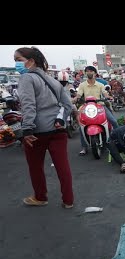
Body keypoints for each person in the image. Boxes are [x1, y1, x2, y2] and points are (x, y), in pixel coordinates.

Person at [14, 46, 74, 208]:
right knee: (63, 166)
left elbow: (28, 105)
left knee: (35, 166)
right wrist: (60, 119)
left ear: (31, 61)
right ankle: (68, 200)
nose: (16, 64)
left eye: (19, 60)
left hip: (37, 131)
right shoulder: (53, 81)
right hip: (58, 130)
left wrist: (27, 129)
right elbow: (68, 105)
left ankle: (40, 197)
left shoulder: (27, 78)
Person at [74, 66, 119, 155]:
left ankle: (118, 141)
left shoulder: (100, 85)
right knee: (81, 126)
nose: (89, 73)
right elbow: (79, 95)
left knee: (114, 121)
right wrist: (75, 98)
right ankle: (84, 147)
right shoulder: (82, 85)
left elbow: (105, 94)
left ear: (95, 73)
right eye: (87, 71)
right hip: (87, 107)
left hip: (100, 106)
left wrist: (109, 97)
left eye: (91, 71)